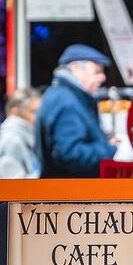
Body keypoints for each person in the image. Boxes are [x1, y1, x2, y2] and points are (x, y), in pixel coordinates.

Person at [37, 45, 118, 178]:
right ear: (75, 68)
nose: (102, 78)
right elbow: (70, 154)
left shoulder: (67, 96)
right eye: (97, 71)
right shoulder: (65, 101)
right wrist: (110, 149)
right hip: (70, 191)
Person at [0, 87, 42, 178]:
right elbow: (14, 184)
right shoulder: (12, 140)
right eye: (34, 112)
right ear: (15, 112)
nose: (39, 117)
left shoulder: (28, 136)